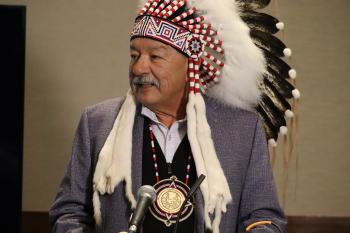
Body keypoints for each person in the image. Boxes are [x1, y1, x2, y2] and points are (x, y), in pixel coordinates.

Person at [50, 0, 300, 232]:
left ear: (191, 64)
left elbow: (263, 216)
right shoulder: (97, 123)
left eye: (155, 57)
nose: (138, 68)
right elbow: (68, 212)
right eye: (134, 56)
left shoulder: (243, 129)